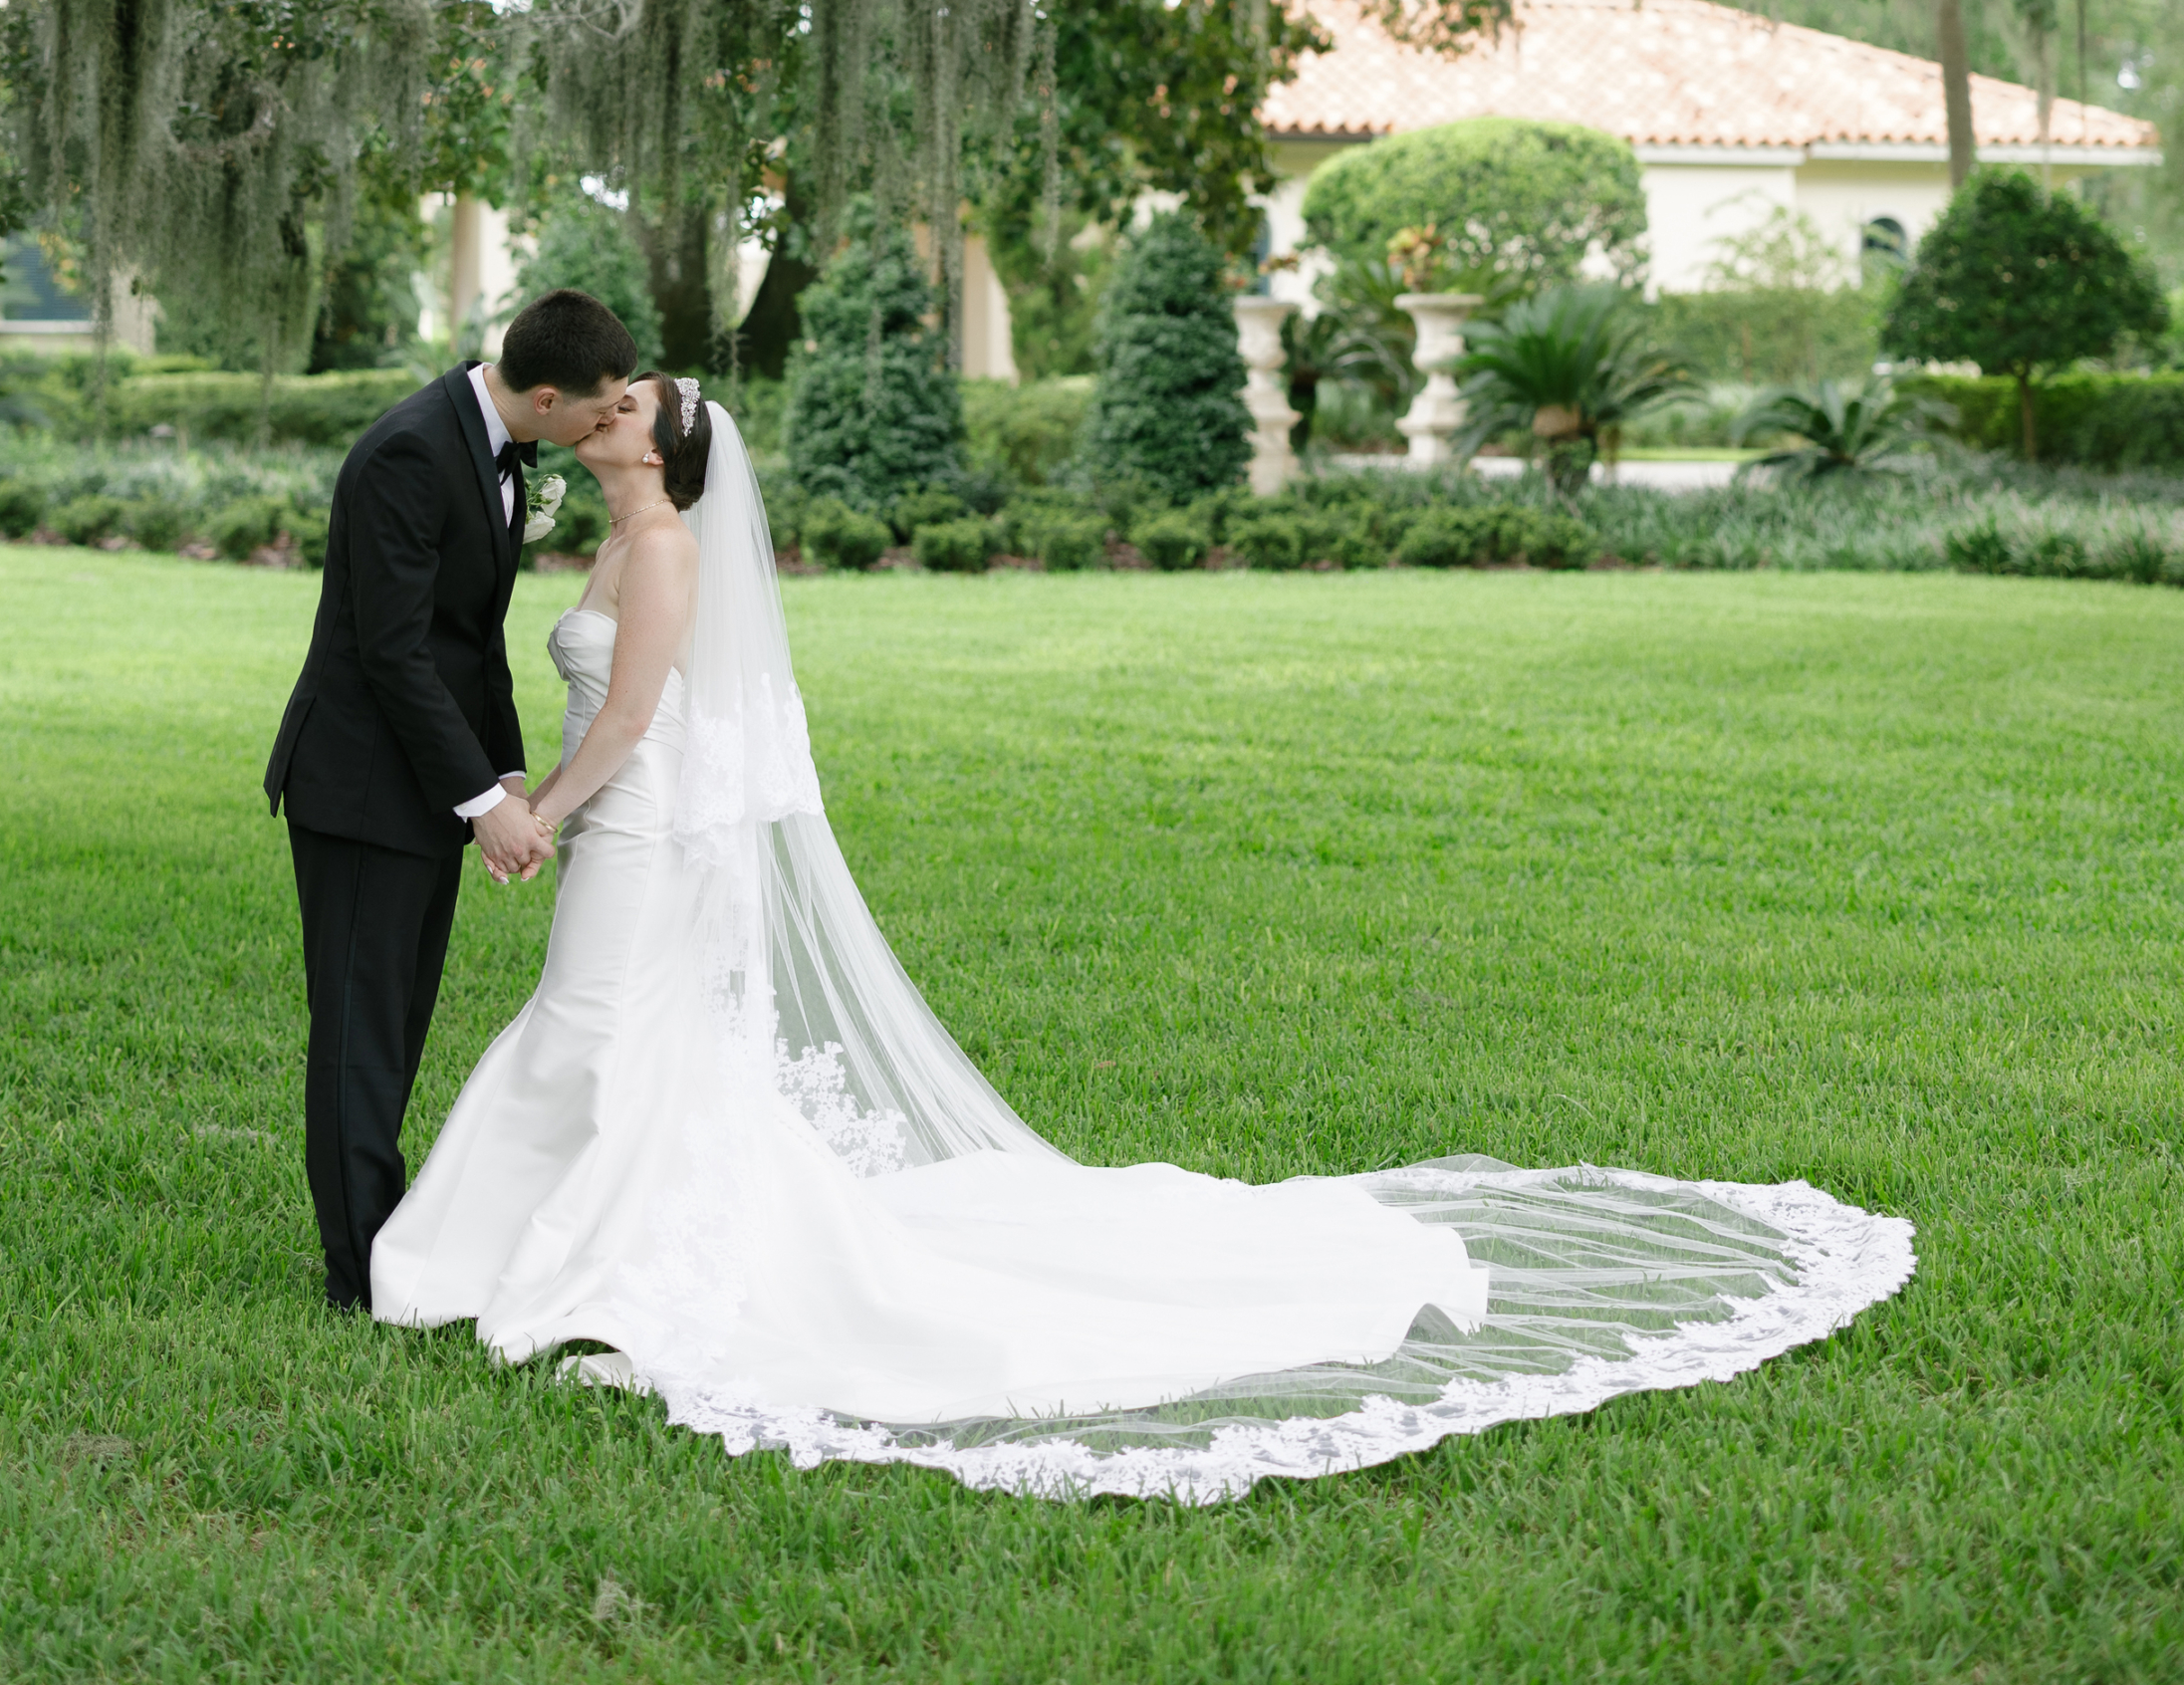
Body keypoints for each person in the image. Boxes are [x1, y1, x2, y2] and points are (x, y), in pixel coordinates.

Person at [369, 384, 1915, 1501]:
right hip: (621, 836)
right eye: (609, 396)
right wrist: (534, 793)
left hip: (632, 835)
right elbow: (618, 700)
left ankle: (543, 1265)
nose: (607, 409)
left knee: (588, 1032)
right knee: (619, 1042)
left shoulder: (670, 555)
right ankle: (538, 1249)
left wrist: (547, 813)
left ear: (664, 449)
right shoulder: (618, 540)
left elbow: (638, 716)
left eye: (631, 404)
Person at [264, 288, 634, 1313]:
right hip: (359, 788)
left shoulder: (501, 450)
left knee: (397, 1024)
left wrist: (506, 775)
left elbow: (465, 644)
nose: (609, 424)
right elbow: (390, 653)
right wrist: (481, 802)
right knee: (359, 1035)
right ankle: (360, 1279)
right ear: (550, 396)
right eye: (602, 410)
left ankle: (387, 1250)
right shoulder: (409, 453)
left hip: (427, 787)